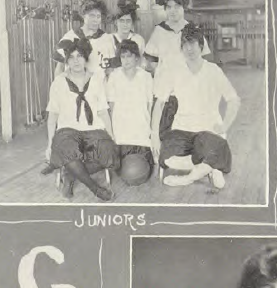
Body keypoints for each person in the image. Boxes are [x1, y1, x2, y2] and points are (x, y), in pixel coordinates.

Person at [151, 24, 240, 191]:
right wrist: (154, 134)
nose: (189, 49)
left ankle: (188, 177)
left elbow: (234, 100)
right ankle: (210, 165)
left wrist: (225, 125)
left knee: (216, 143)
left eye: (192, 44)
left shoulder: (213, 70)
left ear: (201, 45)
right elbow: (160, 102)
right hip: (182, 128)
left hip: (208, 128)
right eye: (184, 44)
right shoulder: (174, 71)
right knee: (165, 157)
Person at [45, 37, 117, 201]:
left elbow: (103, 111)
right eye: (71, 57)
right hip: (67, 130)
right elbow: (53, 115)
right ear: (67, 61)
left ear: (86, 58)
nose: (76, 61)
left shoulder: (97, 79)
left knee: (108, 151)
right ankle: (95, 188)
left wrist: (111, 134)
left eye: (80, 56)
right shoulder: (59, 82)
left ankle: (71, 173)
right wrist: (49, 143)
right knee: (67, 148)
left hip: (93, 129)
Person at [106, 39, 154, 181]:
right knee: (122, 169)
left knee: (144, 169)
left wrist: (150, 128)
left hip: (140, 127)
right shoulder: (114, 77)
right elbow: (111, 105)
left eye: (129, 56)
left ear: (137, 58)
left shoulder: (146, 77)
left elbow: (149, 104)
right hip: (121, 127)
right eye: (123, 56)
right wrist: (112, 130)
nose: (125, 60)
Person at [144, 0, 210, 77]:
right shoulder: (159, 31)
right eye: (169, 7)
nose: (172, 11)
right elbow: (151, 61)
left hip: (188, 80)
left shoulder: (193, 30)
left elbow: (203, 58)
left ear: (184, 8)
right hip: (165, 82)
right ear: (165, 9)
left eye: (177, 7)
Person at [53, 0, 116, 79]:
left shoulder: (106, 39)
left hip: (99, 89)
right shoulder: (70, 36)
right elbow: (59, 69)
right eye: (92, 16)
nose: (95, 20)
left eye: (98, 16)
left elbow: (110, 71)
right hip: (75, 89)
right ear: (83, 15)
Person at [109, 0, 146, 68]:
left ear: (132, 22)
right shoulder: (109, 39)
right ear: (115, 22)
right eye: (121, 21)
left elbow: (142, 64)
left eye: (128, 21)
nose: (125, 24)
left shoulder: (139, 40)